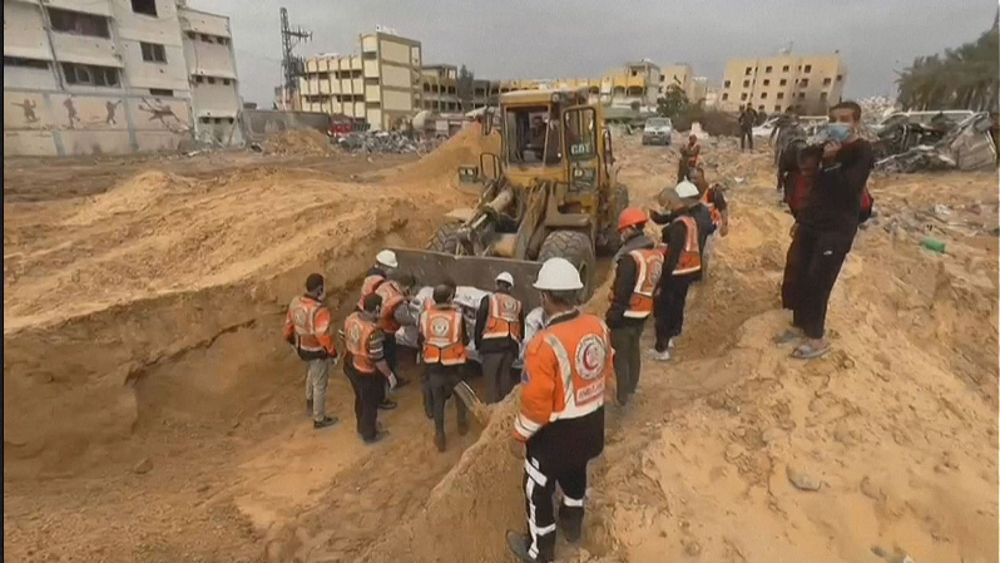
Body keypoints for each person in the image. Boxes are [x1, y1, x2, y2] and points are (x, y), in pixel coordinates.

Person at [506, 258, 614, 563]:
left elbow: (536, 407)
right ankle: (572, 525)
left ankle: (540, 552)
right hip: (592, 426)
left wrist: (519, 436)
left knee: (537, 492)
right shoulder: (598, 326)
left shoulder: (543, 344)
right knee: (576, 474)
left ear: (545, 297)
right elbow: (607, 373)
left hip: (555, 437)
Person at [775, 101, 874, 359]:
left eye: (844, 119)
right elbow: (814, 188)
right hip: (812, 222)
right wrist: (802, 218)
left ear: (856, 123)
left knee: (819, 280)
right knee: (798, 272)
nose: (837, 124)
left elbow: (849, 187)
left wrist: (831, 162)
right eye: (834, 118)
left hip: (837, 227)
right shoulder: (825, 148)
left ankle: (817, 338)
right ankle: (799, 325)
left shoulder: (861, 151)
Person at [605, 207, 661, 406]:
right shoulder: (652, 253)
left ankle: (622, 396)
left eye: (622, 231)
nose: (620, 235)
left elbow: (622, 292)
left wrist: (611, 316)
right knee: (633, 349)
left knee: (620, 354)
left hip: (626, 313)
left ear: (630, 229)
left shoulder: (630, 258)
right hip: (643, 311)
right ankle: (631, 387)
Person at [650, 182, 703, 361]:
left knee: (664, 308)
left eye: (665, 203)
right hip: (689, 270)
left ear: (670, 202)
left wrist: (660, 283)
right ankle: (672, 335)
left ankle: (661, 348)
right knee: (677, 305)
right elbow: (670, 217)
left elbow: (672, 257)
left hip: (677, 271)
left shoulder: (679, 226)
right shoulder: (689, 219)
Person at [283, 273, 339, 429]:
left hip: (301, 347)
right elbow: (323, 336)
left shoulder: (295, 302)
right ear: (320, 289)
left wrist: (291, 341)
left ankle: (309, 401)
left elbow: (288, 326)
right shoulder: (319, 311)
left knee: (311, 372)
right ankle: (319, 418)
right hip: (316, 351)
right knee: (320, 384)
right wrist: (332, 352)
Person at [418, 284, 470, 452]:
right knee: (460, 395)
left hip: (434, 365)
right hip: (454, 365)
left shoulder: (425, 316)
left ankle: (440, 434)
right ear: (450, 299)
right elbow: (466, 339)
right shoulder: (457, 317)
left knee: (438, 401)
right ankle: (462, 424)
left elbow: (420, 339)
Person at [342, 293, 396, 444]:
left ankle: (362, 426)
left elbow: (343, 337)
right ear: (377, 309)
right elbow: (378, 359)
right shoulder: (373, 332)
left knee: (360, 399)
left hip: (350, 363)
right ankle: (369, 434)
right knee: (370, 404)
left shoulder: (351, 319)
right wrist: (389, 375)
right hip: (365, 370)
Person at [475, 272, 525, 404]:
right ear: (510, 288)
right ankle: (503, 414)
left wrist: (478, 344)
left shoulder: (489, 299)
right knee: (504, 382)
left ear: (497, 284)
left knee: (491, 384)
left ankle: (492, 416)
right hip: (510, 348)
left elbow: (480, 322)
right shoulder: (517, 304)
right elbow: (522, 331)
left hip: (491, 347)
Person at [375, 271, 417, 396]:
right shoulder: (398, 302)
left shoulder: (387, 285)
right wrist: (416, 319)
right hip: (386, 330)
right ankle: (390, 382)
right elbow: (404, 319)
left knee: (380, 356)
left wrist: (406, 298)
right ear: (408, 288)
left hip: (375, 323)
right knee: (389, 357)